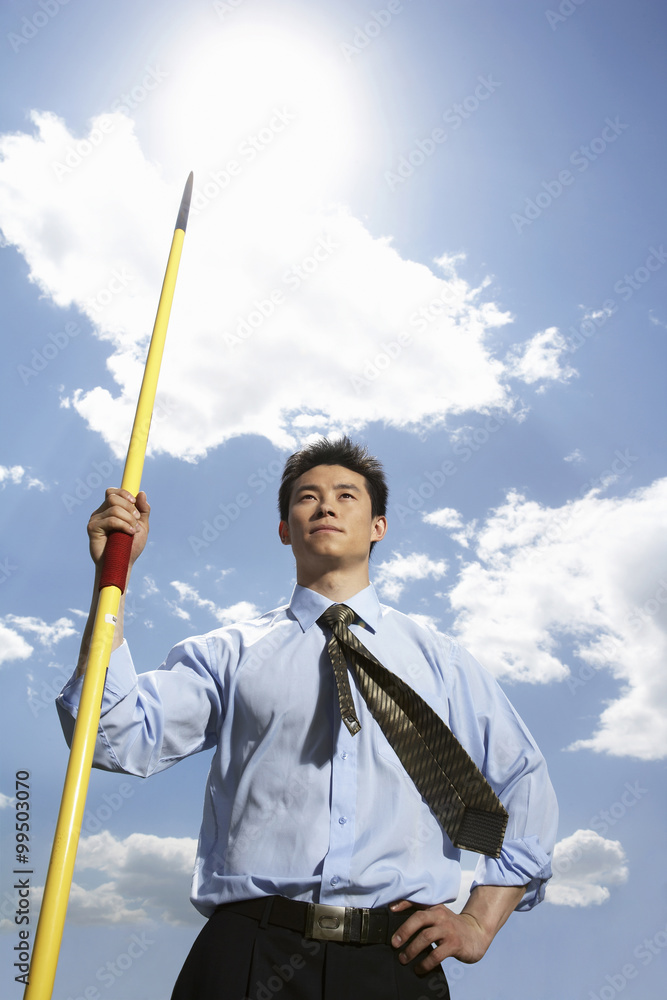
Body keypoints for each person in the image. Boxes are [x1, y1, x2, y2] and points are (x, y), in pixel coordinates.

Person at [57, 436, 558, 1000]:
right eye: (306, 497)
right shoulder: (229, 652)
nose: (326, 506)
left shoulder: (442, 662)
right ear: (283, 528)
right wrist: (111, 579)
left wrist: (478, 920)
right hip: (247, 954)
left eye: (347, 495)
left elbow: (524, 784)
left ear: (378, 526)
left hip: (395, 960)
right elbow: (111, 737)